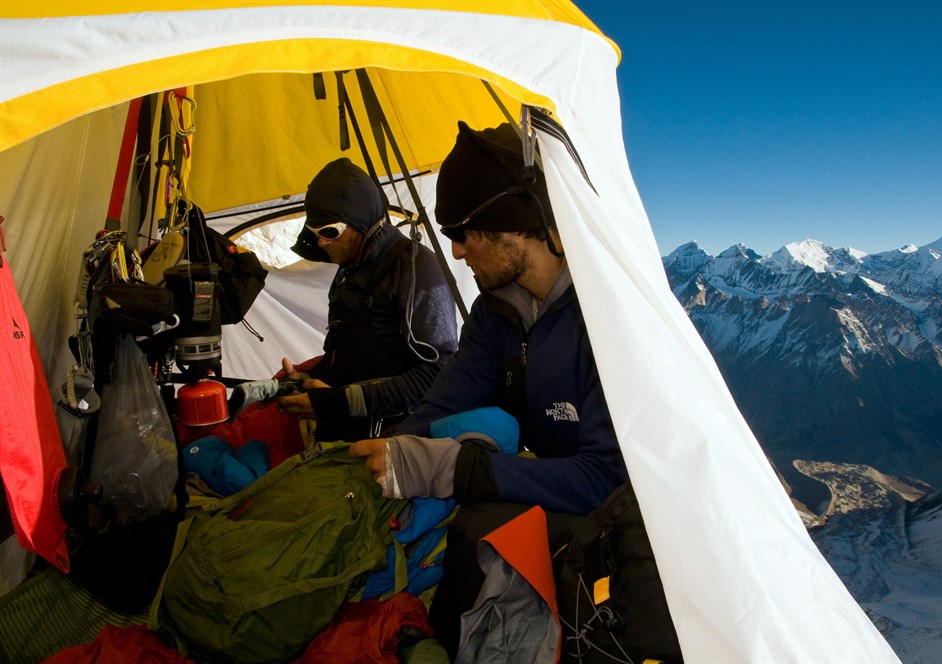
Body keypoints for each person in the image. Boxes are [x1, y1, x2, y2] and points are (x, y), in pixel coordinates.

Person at [348, 122, 628, 656]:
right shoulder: (496, 313)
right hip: (551, 502)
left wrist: (460, 469)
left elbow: (606, 480)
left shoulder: (606, 319)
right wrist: (385, 458)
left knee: (479, 527)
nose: (455, 252)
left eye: (463, 232)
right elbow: (442, 406)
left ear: (512, 224)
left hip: (613, 528)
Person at [182, 158, 458, 464]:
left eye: (330, 231)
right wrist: (306, 377)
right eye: (315, 232)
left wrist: (336, 403)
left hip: (386, 439)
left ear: (362, 224)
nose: (322, 242)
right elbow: (353, 352)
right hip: (340, 427)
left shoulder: (417, 270)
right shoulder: (349, 269)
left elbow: (435, 375)